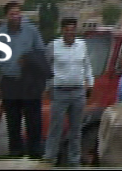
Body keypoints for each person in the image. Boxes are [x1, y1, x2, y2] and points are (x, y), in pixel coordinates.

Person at [0, 1, 49, 159]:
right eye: (12, 14)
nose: (16, 17)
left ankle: (35, 150)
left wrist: (30, 61)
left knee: (33, 118)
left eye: (18, 13)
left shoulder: (31, 30)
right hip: (9, 81)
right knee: (12, 119)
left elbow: (42, 53)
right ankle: (16, 151)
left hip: (29, 80)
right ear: (6, 16)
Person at [44, 17, 94, 167]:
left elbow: (87, 65)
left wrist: (90, 83)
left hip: (78, 92)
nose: (70, 33)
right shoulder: (53, 46)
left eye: (73, 30)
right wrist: (47, 87)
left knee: (76, 129)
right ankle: (50, 157)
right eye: (67, 30)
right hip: (60, 92)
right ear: (62, 30)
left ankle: (74, 161)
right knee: (56, 127)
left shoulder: (82, 45)